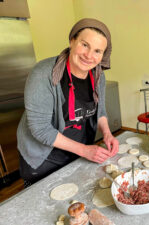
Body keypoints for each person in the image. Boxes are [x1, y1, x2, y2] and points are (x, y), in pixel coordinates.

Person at [17, 18, 119, 186]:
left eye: (97, 51)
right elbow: (40, 129)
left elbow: (100, 111)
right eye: (84, 45)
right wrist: (84, 150)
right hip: (45, 158)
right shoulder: (43, 74)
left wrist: (107, 133)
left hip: (77, 151)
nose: (89, 56)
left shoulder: (98, 75)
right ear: (72, 41)